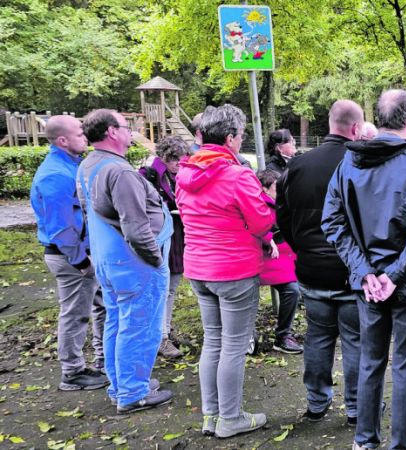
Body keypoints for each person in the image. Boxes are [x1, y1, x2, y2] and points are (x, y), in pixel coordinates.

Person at [322, 89, 406, 450]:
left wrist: (369, 274)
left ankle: (365, 442)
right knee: (405, 365)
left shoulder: (350, 163)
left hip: (376, 283)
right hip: (402, 283)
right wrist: (378, 274)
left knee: (371, 361)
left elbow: (332, 222)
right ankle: (396, 444)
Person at [176, 104, 274, 438]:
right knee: (233, 345)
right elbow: (262, 220)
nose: (241, 140)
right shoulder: (237, 174)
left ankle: (211, 415)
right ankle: (230, 418)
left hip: (199, 269)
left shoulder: (184, 173)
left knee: (213, 341)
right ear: (231, 138)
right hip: (233, 270)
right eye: (241, 135)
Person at [77, 109, 173, 413]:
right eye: (126, 126)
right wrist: (155, 259)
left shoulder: (89, 166)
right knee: (140, 326)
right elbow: (135, 224)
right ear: (110, 132)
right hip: (134, 263)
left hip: (110, 260)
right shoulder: (119, 172)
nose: (131, 130)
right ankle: (133, 393)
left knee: (118, 321)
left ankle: (122, 384)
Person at [276, 99, 364, 426]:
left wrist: (301, 248)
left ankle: (316, 402)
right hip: (353, 272)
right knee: (356, 341)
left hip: (312, 270)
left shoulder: (297, 166)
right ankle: (356, 408)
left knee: (317, 337)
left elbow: (282, 215)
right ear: (356, 128)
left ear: (330, 123)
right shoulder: (360, 164)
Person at [30, 115, 108, 390]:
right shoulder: (55, 175)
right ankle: (72, 372)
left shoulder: (70, 166)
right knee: (75, 313)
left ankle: (103, 360)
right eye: (79, 132)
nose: (85, 135)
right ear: (62, 140)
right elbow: (61, 227)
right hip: (70, 257)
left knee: (102, 307)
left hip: (82, 254)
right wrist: (80, 261)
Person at [139, 136, 189, 359]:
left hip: (178, 237)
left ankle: (165, 331)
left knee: (171, 288)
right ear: (166, 157)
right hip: (159, 238)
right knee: (160, 289)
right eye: (175, 159)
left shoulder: (177, 176)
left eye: (182, 158)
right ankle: (160, 338)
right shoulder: (149, 175)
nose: (180, 163)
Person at [255, 169, 303, 354]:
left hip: (284, 257)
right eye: (277, 186)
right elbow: (252, 225)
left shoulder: (283, 202)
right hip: (261, 258)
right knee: (248, 295)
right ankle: (246, 335)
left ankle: (283, 335)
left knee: (292, 290)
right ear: (265, 189)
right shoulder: (258, 204)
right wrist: (268, 238)